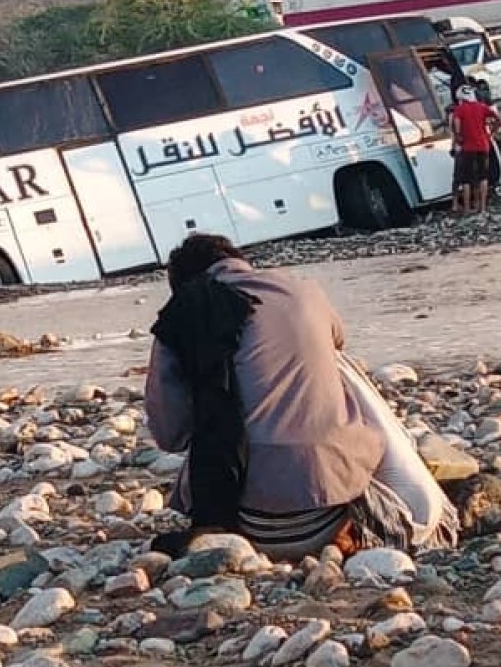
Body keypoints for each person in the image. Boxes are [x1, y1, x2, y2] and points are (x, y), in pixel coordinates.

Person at [145, 233, 458, 561]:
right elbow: (338, 342)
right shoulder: (302, 290)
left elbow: (170, 435)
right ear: (238, 260)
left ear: (181, 285)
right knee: (333, 363)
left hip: (245, 523)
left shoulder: (179, 318)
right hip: (332, 510)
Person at [451, 85, 500, 213]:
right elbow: (497, 119)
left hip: (468, 147)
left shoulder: (459, 109)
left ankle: (467, 208)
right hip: (483, 145)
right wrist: (491, 133)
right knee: (483, 176)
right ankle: (482, 207)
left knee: (467, 179)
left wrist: (458, 137)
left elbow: (457, 126)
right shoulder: (482, 107)